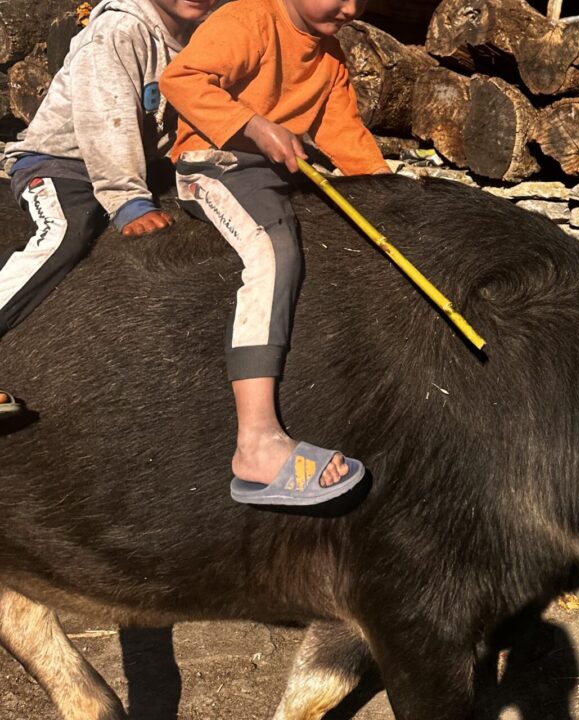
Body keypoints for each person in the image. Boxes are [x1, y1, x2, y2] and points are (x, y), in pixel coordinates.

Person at [159, 0, 391, 506]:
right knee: (273, 251)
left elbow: (347, 138)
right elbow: (182, 79)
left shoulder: (330, 59)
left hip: (275, 172)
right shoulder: (248, 18)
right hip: (214, 163)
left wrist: (392, 196)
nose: (352, 9)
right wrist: (257, 126)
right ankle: (256, 442)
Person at [0, 0, 217, 416]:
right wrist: (127, 199)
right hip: (63, 161)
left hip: (142, 161)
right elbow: (106, 115)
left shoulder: (204, 35)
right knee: (66, 233)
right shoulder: (118, 31)